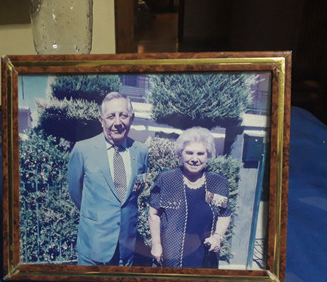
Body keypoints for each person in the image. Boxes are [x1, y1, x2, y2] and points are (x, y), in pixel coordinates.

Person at [68, 92, 149, 266]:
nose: (118, 122)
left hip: (127, 249)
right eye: (111, 116)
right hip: (93, 246)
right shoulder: (83, 150)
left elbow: (136, 191)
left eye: (123, 115)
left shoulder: (141, 151)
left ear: (132, 118)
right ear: (101, 120)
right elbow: (75, 191)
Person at [148, 127, 231, 268]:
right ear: (181, 154)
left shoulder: (217, 183)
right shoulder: (167, 179)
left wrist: (218, 236)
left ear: (208, 155)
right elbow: (153, 213)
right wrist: (156, 244)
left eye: (200, 153)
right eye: (189, 153)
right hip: (170, 254)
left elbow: (224, 213)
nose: (194, 159)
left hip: (205, 255)